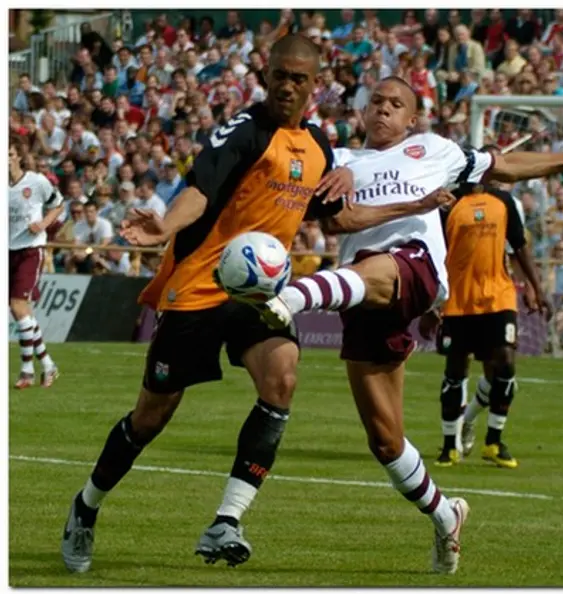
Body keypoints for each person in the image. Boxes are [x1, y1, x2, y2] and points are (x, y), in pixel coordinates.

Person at [59, 35, 445, 575]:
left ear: (314, 84)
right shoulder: (242, 131)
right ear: (266, 76)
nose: (287, 85)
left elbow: (338, 220)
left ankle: (227, 520)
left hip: (257, 293)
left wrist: (419, 205)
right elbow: (198, 188)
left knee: (283, 377)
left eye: (299, 78)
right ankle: (86, 505)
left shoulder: (317, 148)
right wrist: (165, 224)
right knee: (150, 418)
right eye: (279, 75)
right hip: (197, 287)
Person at [260, 77, 563, 573]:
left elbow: (508, 167)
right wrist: (348, 179)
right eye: (377, 103)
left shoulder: (435, 149)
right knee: (386, 442)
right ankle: (445, 515)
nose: (384, 110)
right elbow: (338, 225)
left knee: (382, 266)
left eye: (397, 104)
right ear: (365, 114)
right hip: (364, 297)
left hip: (415, 269)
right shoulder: (340, 159)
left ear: (412, 118)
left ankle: (289, 297)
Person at [432, 172, 550, 470]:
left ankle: (494, 441)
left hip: (499, 295)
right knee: (456, 369)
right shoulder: (447, 205)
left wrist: (536, 288)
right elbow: (433, 253)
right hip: (458, 299)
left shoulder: (504, 202)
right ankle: (450, 446)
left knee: (506, 363)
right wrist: (430, 304)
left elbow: (520, 245)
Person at [9, 139, 63, 389]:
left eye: (9, 154)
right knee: (22, 313)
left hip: (31, 250)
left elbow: (58, 204)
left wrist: (42, 224)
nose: (6, 159)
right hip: (8, 251)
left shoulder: (36, 181)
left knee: (18, 305)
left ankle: (27, 371)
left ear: (18, 157)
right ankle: (49, 364)